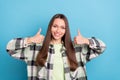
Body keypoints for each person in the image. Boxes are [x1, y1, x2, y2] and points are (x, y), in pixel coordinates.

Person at [6, 14, 106, 80]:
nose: (58, 30)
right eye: (55, 26)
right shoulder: (36, 48)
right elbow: (10, 48)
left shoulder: (76, 48)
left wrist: (86, 40)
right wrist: (30, 40)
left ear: (66, 30)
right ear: (50, 27)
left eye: (62, 27)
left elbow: (102, 47)